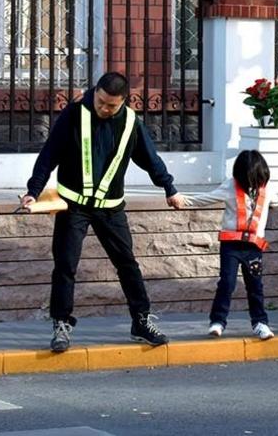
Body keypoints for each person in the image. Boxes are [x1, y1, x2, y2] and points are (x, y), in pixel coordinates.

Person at [21, 72, 185, 353]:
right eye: (100, 101)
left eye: (111, 105)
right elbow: (49, 155)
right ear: (95, 92)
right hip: (73, 206)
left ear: (123, 102)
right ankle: (61, 324)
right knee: (65, 266)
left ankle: (141, 321)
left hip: (111, 208)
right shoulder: (73, 114)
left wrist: (170, 188)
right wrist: (33, 191)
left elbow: (150, 158)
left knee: (128, 265)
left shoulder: (131, 122)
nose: (104, 108)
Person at [183, 149, 278, 340]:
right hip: (231, 246)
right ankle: (218, 322)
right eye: (251, 179)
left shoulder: (266, 189)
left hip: (254, 247)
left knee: (255, 286)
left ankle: (260, 323)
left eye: (258, 179)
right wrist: (182, 200)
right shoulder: (230, 186)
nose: (254, 184)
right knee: (227, 283)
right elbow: (206, 198)